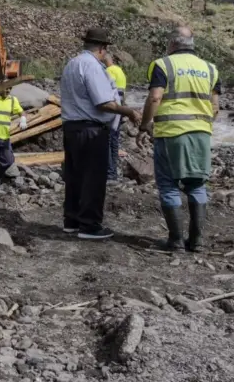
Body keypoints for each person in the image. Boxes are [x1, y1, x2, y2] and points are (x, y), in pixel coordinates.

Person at [137, 26, 220, 252]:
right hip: (201, 133)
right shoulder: (210, 69)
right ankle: (197, 241)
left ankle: (176, 240)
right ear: (192, 44)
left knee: (168, 186)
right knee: (197, 184)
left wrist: (144, 126)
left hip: (171, 132)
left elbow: (155, 98)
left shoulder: (163, 65)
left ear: (172, 44)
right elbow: (215, 107)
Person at [59, 29, 141, 239]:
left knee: (75, 176)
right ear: (103, 49)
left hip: (72, 127)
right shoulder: (92, 67)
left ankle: (72, 221)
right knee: (93, 178)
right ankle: (89, 225)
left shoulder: (72, 63)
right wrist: (129, 112)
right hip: (90, 129)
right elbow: (104, 102)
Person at [104, 51, 127, 181]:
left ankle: (110, 172)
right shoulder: (120, 71)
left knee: (108, 139)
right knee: (114, 141)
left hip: (112, 107)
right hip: (121, 106)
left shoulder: (108, 71)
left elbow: (107, 91)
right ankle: (113, 172)